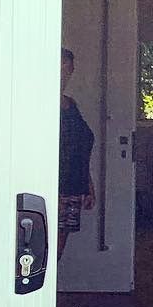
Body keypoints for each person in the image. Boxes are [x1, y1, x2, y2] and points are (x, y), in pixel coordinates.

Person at [58, 47, 96, 260]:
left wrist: (88, 187)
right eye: (59, 66)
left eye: (67, 67)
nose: (64, 72)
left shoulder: (70, 104)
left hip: (74, 187)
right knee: (45, 250)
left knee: (58, 251)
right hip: (55, 189)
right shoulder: (40, 105)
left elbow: (80, 148)